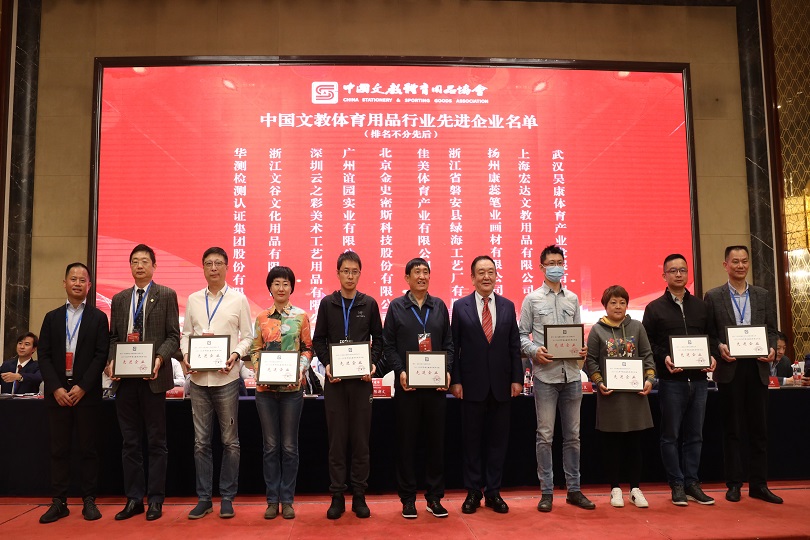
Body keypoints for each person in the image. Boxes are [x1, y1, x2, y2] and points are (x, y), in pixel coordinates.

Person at [105, 244, 180, 521]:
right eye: (135, 261)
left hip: (153, 379)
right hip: (125, 381)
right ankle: (134, 499)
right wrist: (111, 361)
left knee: (157, 441)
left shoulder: (166, 294)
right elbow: (114, 338)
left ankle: (156, 499)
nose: (139, 265)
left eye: (145, 261)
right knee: (130, 442)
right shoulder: (120, 299)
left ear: (154, 266)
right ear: (130, 266)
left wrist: (159, 359)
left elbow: (173, 336)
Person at [518, 245, 593, 513]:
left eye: (560, 262)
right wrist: (534, 351)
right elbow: (521, 335)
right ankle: (547, 491)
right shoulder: (532, 299)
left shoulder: (572, 298)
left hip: (571, 375)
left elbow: (577, 334)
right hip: (545, 376)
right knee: (545, 436)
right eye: (551, 263)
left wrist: (581, 348)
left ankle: (574, 490)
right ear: (541, 267)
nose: (556, 267)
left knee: (573, 436)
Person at [704, 245, 782, 504]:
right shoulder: (713, 296)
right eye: (735, 261)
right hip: (730, 369)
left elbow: (772, 330)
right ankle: (734, 484)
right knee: (732, 429)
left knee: (759, 431)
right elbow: (709, 334)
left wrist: (772, 348)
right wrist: (719, 347)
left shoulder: (762, 294)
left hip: (757, 368)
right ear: (725, 265)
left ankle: (759, 484)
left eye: (744, 261)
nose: (740, 266)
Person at [180, 247, 254, 519]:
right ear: (203, 268)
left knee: (230, 441)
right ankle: (204, 498)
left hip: (227, 379)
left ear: (226, 267)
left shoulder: (239, 299)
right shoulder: (193, 299)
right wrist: (186, 355)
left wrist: (235, 354)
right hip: (199, 379)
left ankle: (227, 497)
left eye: (218, 263)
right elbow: (186, 334)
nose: (213, 268)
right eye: (209, 263)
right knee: (201, 442)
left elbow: (248, 336)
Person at [312, 251, 383, 520]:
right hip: (336, 383)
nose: (350, 276)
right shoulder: (327, 303)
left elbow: (380, 339)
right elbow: (319, 340)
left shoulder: (369, 304)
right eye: (346, 271)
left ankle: (360, 495)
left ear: (359, 274)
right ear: (338, 273)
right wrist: (328, 364)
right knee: (337, 442)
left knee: (361, 441)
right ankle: (338, 496)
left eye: (354, 271)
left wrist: (372, 365)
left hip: (361, 383)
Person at [641, 254, 717, 506]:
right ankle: (676, 484)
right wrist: (664, 357)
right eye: (673, 270)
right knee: (670, 435)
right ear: (664, 275)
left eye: (683, 270)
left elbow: (712, 337)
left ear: (687, 274)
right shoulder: (654, 308)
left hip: (699, 381)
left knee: (695, 435)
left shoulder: (701, 306)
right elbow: (648, 343)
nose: (678, 274)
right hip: (671, 381)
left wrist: (712, 356)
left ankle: (692, 483)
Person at [37, 263, 109, 523]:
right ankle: (59, 502)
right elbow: (43, 354)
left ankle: (89, 500)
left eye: (82, 280)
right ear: (64, 283)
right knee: (59, 449)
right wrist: (56, 387)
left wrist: (83, 386)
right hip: (57, 393)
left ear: (89, 285)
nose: (77, 283)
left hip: (86, 394)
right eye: (73, 279)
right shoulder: (51, 317)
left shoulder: (98, 318)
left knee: (88, 449)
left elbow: (101, 355)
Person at [450, 255, 522, 515]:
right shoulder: (460, 307)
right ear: (472, 277)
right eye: (481, 272)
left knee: (497, 442)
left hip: (502, 385)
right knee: (471, 442)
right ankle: (473, 492)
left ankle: (493, 492)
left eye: (490, 271)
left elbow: (514, 346)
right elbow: (454, 347)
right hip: (471, 386)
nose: (486, 276)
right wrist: (455, 380)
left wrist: (517, 378)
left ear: (496, 275)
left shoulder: (507, 306)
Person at [383, 258, 453, 519]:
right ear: (407, 278)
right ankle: (408, 499)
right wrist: (400, 371)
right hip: (407, 388)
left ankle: (434, 498)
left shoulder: (439, 306)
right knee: (407, 443)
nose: (422, 276)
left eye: (425, 272)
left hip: (435, 389)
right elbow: (388, 345)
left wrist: (447, 370)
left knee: (436, 444)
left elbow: (449, 344)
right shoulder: (396, 307)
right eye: (417, 272)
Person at [249, 266, 313, 520]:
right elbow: (255, 350)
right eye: (276, 283)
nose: (281, 288)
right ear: (270, 287)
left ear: (291, 287)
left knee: (289, 447)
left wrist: (300, 368)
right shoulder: (261, 318)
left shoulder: (301, 316)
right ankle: (271, 500)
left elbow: (307, 348)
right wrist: (259, 369)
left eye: (286, 283)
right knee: (270, 447)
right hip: (265, 391)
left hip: (292, 391)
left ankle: (287, 500)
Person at [585, 285, 655, 509]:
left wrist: (649, 380)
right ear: (605, 306)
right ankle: (615, 488)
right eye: (613, 302)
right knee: (612, 445)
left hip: (636, 396)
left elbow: (647, 355)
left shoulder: (637, 327)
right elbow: (591, 360)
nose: (618, 306)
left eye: (622, 302)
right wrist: (599, 382)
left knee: (635, 444)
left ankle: (635, 489)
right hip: (610, 396)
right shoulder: (597, 330)